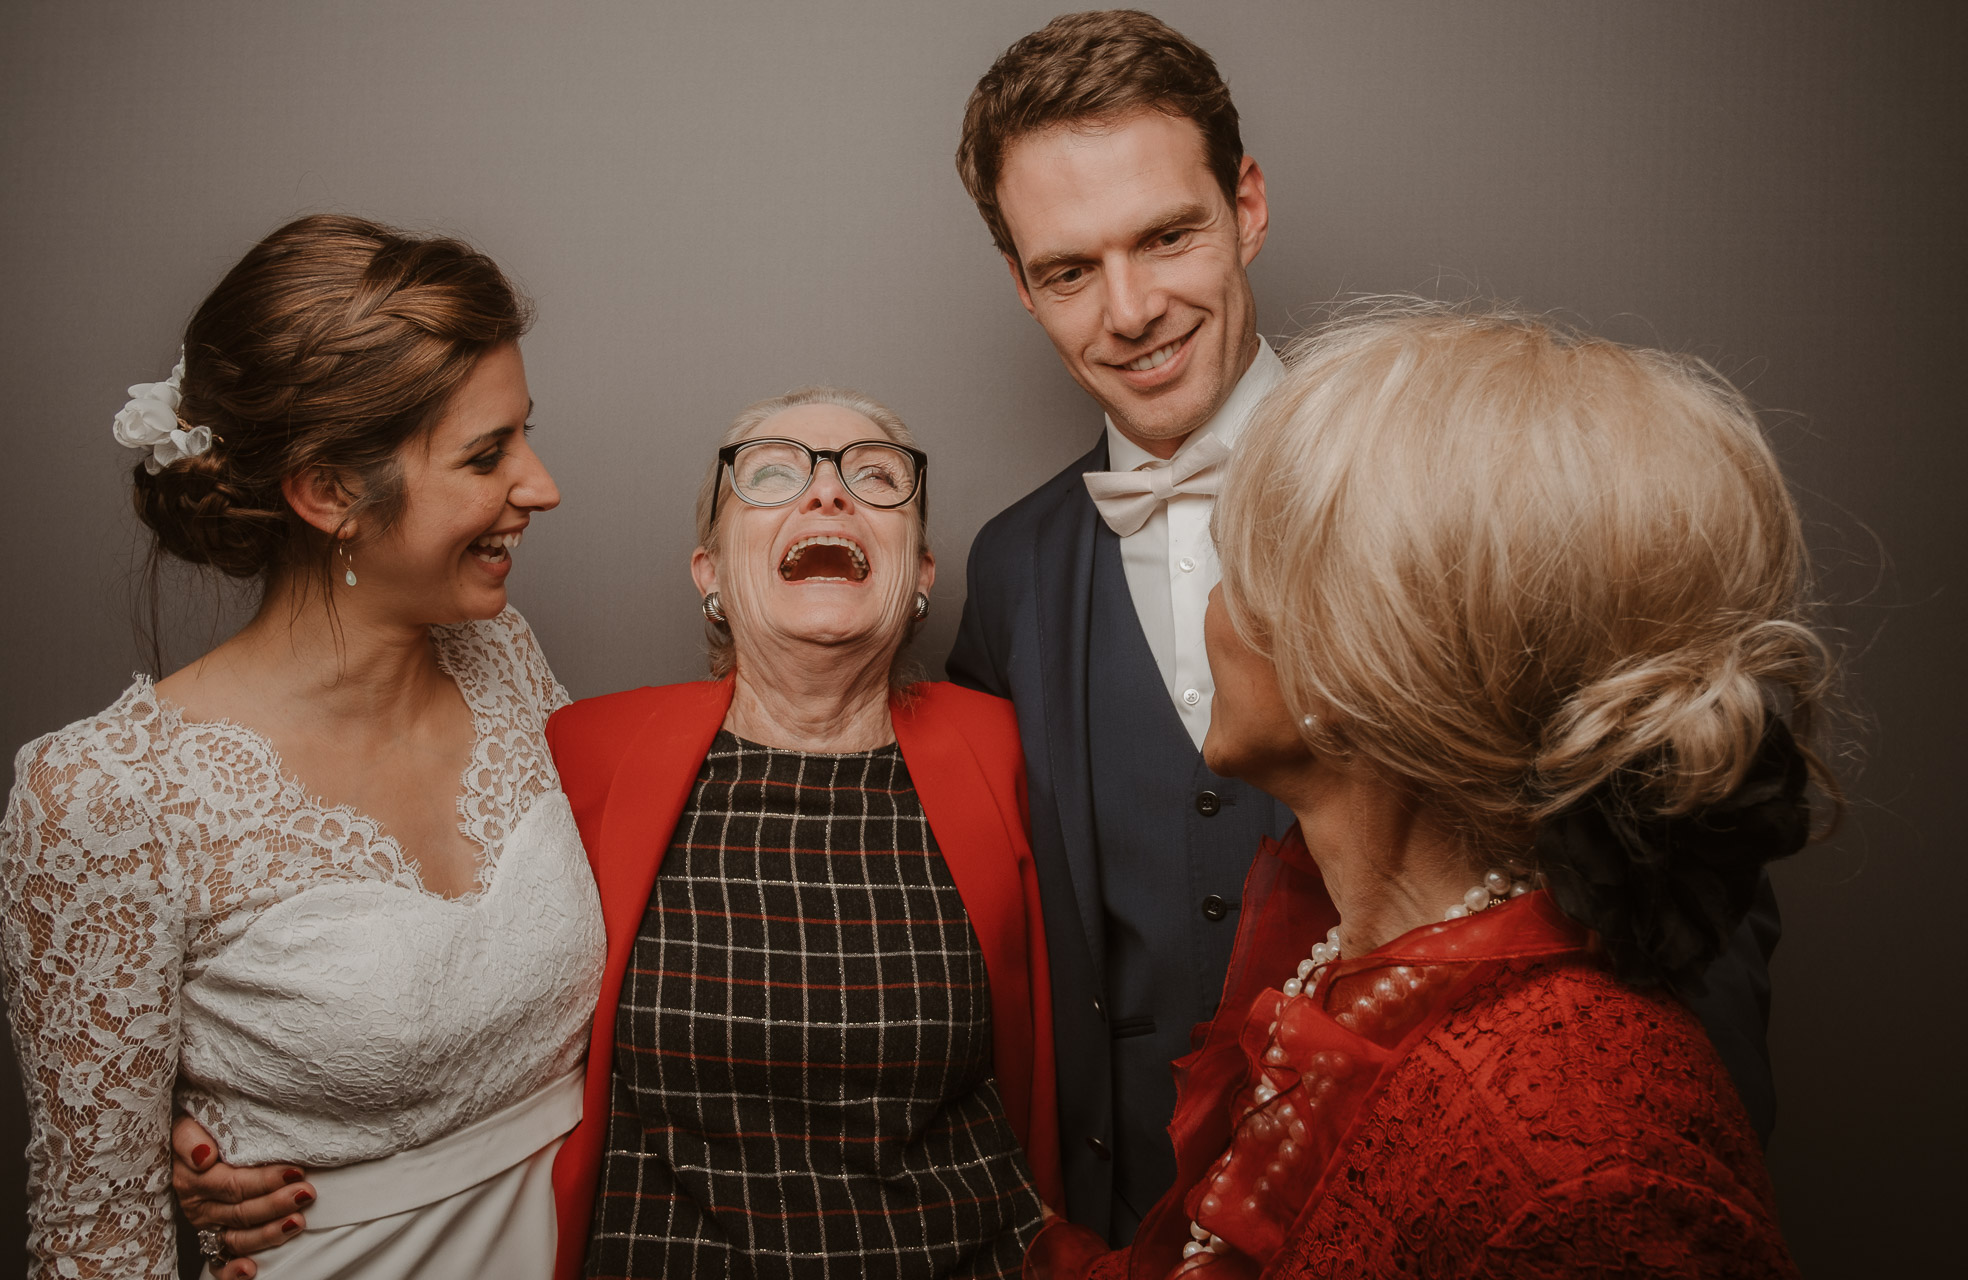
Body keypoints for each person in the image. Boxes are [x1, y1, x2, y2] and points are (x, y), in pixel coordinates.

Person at [944, 9, 1784, 1242]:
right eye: (1069, 269)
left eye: (1166, 235)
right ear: (1020, 284)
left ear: (1246, 205)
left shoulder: (1462, 467)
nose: (1126, 310)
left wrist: (1651, 1174)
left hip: (1467, 1197)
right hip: (1145, 1218)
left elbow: (1663, 824)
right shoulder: (1011, 564)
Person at [1029, 303, 1821, 1279]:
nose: (1208, 613)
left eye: (1241, 568)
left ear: (1356, 668)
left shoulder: (1569, 1147)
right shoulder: (1355, 964)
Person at [0, 214, 603, 1279]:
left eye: (523, 434)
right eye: (485, 453)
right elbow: (95, 1232)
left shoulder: (503, 655)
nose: (539, 484)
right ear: (327, 493)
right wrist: (164, 1136)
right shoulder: (103, 794)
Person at [542, 387, 1063, 1279]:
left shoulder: (1014, 753)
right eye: (774, 473)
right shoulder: (583, 756)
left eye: (875, 476)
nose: (828, 494)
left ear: (923, 574)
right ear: (708, 571)